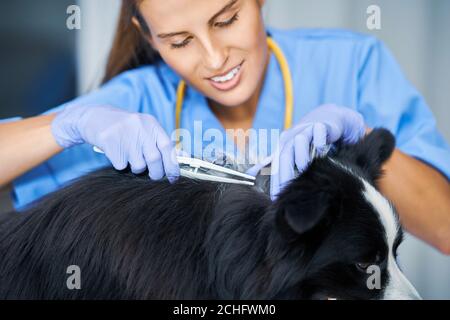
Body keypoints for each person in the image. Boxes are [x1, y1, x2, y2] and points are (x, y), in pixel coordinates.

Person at [0, 0, 449, 254]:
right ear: (147, 35)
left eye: (227, 19)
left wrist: (356, 149)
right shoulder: (137, 99)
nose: (215, 60)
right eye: (180, 42)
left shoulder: (351, 65)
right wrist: (68, 125)